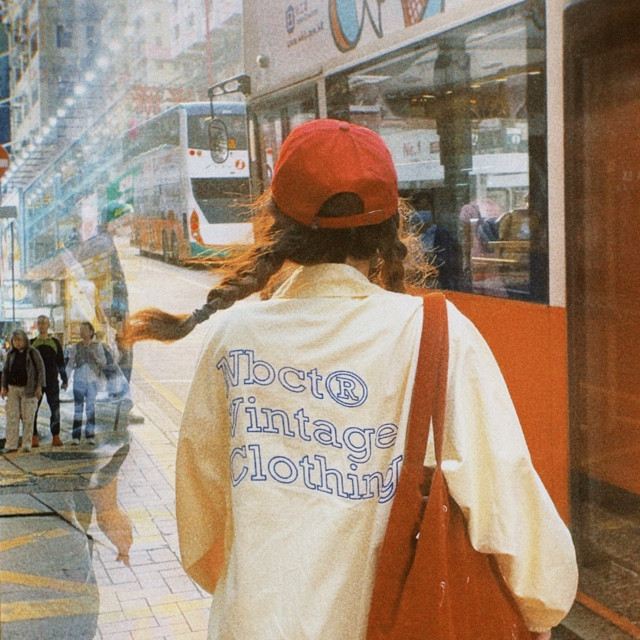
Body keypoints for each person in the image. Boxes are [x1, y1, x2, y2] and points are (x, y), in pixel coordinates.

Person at [124, 119, 577, 640]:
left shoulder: (233, 337)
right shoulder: (439, 331)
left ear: (277, 220)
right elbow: (504, 492)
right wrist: (541, 608)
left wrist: (253, 584)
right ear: (390, 227)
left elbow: (201, 516)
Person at [1, 329, 45, 453]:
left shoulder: (33, 352)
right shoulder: (10, 354)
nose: (17, 342)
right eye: (15, 340)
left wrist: (39, 387)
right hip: (13, 388)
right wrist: (4, 387)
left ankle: (26, 444)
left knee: (28, 417)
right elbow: (5, 371)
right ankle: (11, 444)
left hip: (28, 389)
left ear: (25, 340)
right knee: (12, 417)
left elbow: (41, 370)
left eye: (19, 339)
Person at [31, 315, 69, 447]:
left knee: (55, 409)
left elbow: (60, 362)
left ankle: (56, 436)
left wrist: (64, 379)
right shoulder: (32, 343)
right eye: (39, 323)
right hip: (36, 383)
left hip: (52, 381)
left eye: (44, 323)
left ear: (48, 325)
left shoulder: (55, 342)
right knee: (33, 409)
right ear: (37, 326)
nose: (42, 325)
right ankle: (33, 436)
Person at [66, 321, 106, 445]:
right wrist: (66, 379)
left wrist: (96, 357)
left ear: (91, 332)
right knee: (78, 409)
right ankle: (76, 437)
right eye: (81, 329)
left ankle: (90, 435)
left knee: (90, 408)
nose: (82, 332)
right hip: (79, 381)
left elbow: (103, 362)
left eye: (84, 329)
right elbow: (70, 364)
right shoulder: (75, 347)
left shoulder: (97, 346)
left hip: (92, 381)